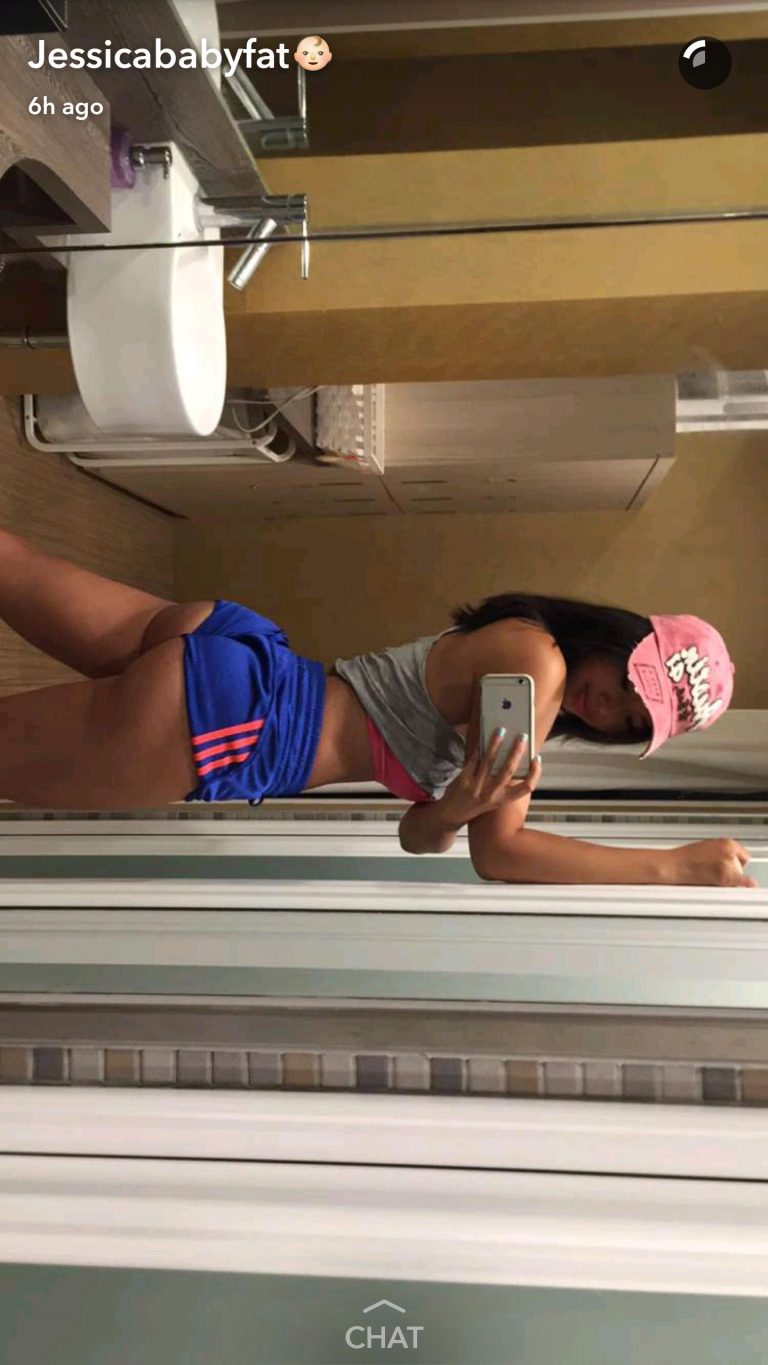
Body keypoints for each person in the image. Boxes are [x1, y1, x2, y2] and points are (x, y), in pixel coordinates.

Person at [0, 529, 755, 888]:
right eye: (630, 681)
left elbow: (416, 835)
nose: (611, 707)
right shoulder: (540, 667)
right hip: (238, 725)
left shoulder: (526, 653)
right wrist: (674, 866)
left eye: (632, 721)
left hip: (245, 654)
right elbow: (502, 856)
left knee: (15, 565)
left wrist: (456, 805)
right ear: (625, 637)